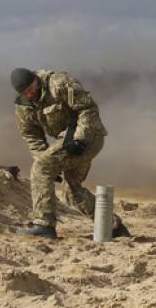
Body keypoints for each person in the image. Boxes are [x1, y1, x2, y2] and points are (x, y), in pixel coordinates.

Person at [11, 67, 129, 239]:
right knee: (71, 191)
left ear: (36, 79)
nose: (30, 94)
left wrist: (80, 139)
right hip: (65, 141)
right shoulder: (23, 105)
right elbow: (30, 134)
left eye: (31, 89)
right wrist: (44, 157)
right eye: (25, 92)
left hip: (90, 137)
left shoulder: (59, 84)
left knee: (40, 169)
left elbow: (87, 109)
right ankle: (114, 227)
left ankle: (44, 224)